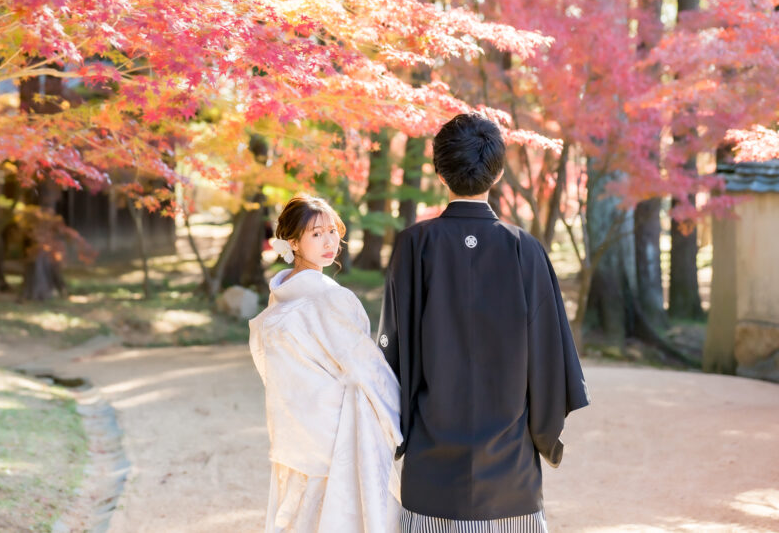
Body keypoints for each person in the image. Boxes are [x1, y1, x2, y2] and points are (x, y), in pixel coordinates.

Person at [377, 113, 590, 532]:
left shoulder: (414, 245)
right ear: (498, 172)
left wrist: (396, 435)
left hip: (431, 465)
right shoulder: (525, 250)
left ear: (439, 170)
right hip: (511, 471)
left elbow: (392, 355)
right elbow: (549, 355)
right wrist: (545, 434)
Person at [249, 193, 402, 533]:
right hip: (337, 428)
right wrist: (400, 416)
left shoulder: (281, 294)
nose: (330, 240)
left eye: (332, 230)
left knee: (302, 513)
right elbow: (367, 367)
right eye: (316, 234)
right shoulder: (331, 296)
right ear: (293, 242)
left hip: (296, 427)